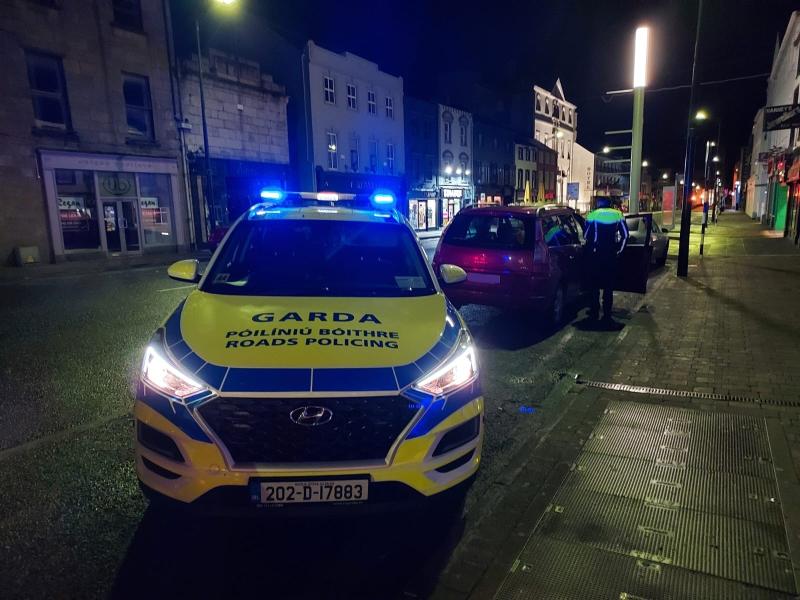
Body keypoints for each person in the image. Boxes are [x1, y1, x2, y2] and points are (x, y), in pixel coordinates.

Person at [584, 197, 629, 323]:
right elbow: (625, 236)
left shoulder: (592, 215)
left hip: (595, 255)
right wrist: (619, 250)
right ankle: (607, 314)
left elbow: (586, 235)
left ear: (598, 204)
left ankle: (594, 312)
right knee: (608, 287)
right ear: (610, 204)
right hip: (610, 255)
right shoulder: (618, 215)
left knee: (594, 286)